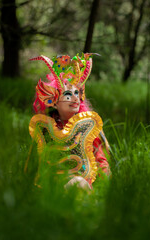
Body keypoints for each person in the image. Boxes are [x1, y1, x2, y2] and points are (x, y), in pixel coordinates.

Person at [28, 53, 110, 190]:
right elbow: (36, 162)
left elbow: (101, 160)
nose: (74, 98)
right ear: (53, 102)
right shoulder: (45, 128)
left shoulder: (88, 126)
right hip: (53, 183)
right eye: (67, 95)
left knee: (77, 183)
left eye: (77, 93)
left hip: (83, 182)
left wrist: (102, 186)